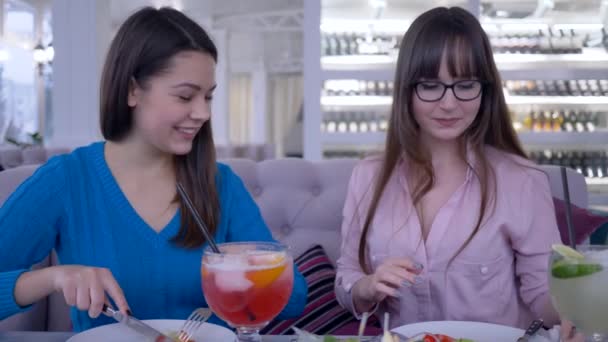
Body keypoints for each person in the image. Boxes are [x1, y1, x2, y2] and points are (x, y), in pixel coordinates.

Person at [0, 7, 306, 332]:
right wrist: (53, 277)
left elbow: (295, 296)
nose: (202, 112)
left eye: (208, 97)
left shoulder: (221, 185)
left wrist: (246, 272)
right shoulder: (67, 180)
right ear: (133, 90)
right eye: (185, 96)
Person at [335, 6, 562, 330]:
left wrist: (575, 310)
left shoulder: (521, 181)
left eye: (465, 84)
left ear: (485, 90)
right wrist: (367, 287)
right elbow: (348, 277)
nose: (449, 103)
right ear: (407, 90)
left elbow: (542, 294)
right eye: (430, 85)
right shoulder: (368, 176)